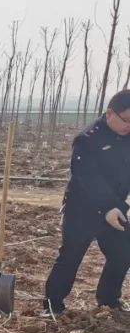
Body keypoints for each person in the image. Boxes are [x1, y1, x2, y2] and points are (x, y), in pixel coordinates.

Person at [42, 88, 130, 316]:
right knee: (71, 254)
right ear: (110, 113)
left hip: (114, 207)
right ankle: (53, 304)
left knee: (124, 250)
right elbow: (87, 177)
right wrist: (108, 207)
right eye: (127, 119)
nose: (129, 126)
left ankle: (109, 298)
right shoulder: (88, 139)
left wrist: (116, 206)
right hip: (82, 209)